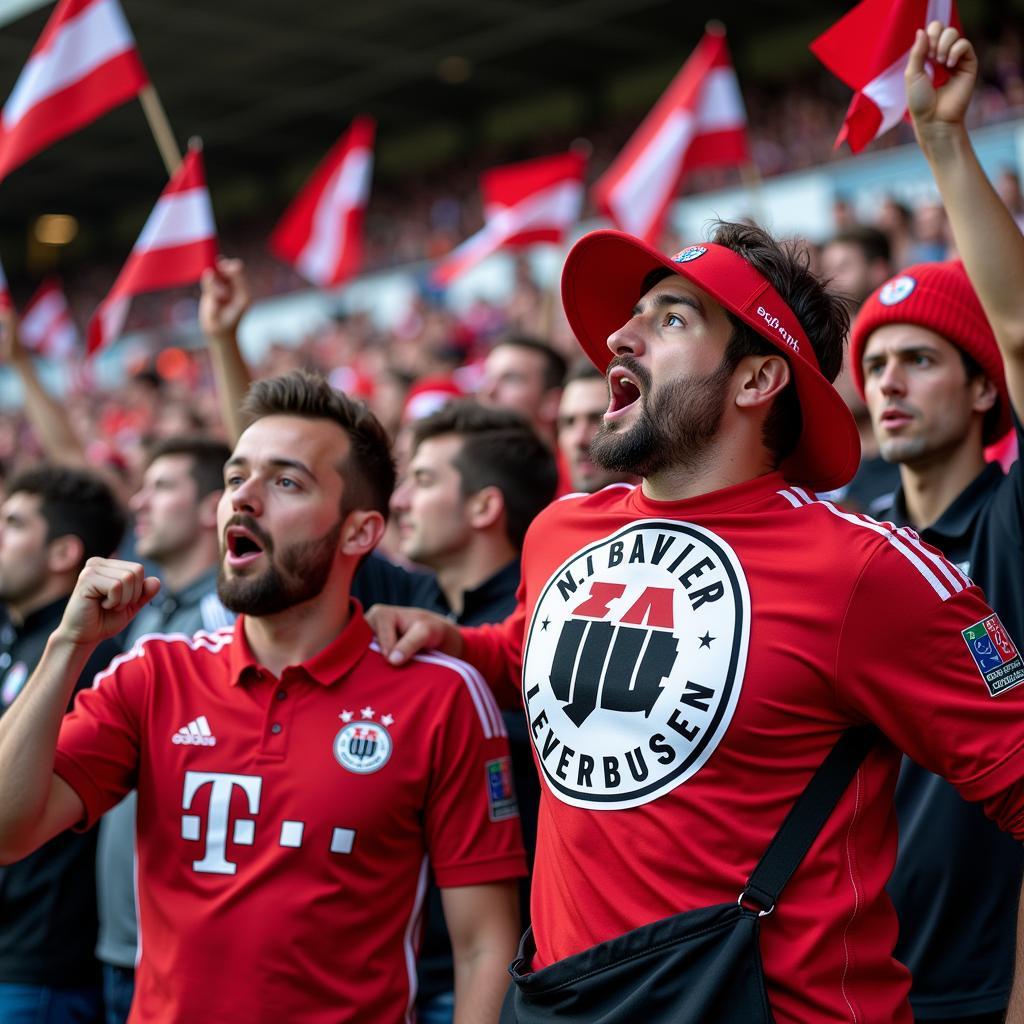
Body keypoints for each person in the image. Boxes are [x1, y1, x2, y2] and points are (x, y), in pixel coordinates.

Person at [367, 26, 1024, 1024]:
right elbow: (548, 643)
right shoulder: (560, 530)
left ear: (760, 379)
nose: (620, 337)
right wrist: (460, 641)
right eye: (632, 319)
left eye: (671, 319)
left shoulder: (863, 568)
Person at [0, 371, 525, 1024]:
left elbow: (483, 948)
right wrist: (67, 646)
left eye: (286, 482)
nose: (243, 498)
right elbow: (7, 830)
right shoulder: (153, 673)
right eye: (233, 478)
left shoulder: (441, 695)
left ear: (360, 532)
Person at [847, 27, 1024, 1024]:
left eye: (918, 360)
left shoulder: (1008, 521)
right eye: (874, 365)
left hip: (978, 983)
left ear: (982, 391)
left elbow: (1022, 329)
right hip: (848, 979)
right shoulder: (850, 535)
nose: (887, 384)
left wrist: (942, 142)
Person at [382, 399, 558, 1024]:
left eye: (423, 481)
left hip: (510, 982)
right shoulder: (412, 600)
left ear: (485, 507)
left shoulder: (550, 631)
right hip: (401, 975)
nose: (399, 502)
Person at [96, 436, 234, 1024]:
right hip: (121, 943)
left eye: (162, 486)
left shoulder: (230, 618)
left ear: (212, 508)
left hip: (195, 955)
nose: (138, 502)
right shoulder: (146, 611)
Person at [0, 466, 126, 1024]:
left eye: (13, 523)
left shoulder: (92, 655)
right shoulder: (16, 637)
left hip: (41, 963)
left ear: (62, 553)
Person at [556, 360, 636, 493]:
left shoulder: (669, 512)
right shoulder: (549, 510)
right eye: (569, 422)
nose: (579, 439)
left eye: (597, 420)